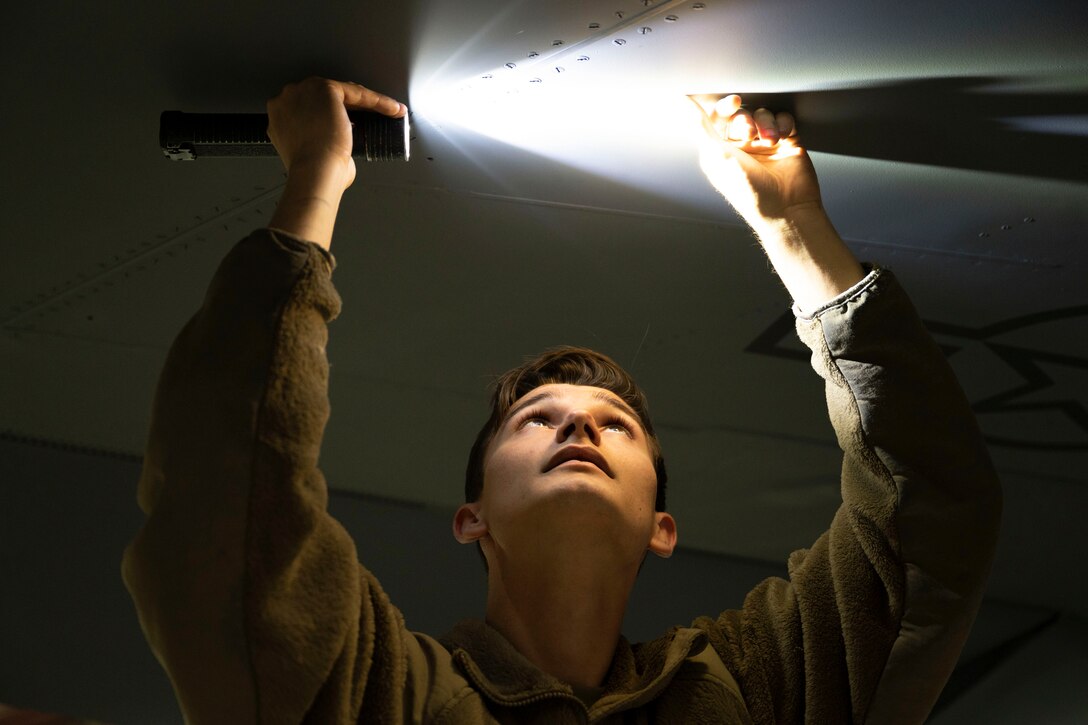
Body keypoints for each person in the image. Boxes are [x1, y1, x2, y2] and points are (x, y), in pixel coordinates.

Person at [122, 77, 1002, 724]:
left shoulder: (758, 687)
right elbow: (227, 508)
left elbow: (929, 519)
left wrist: (796, 230)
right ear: (473, 517)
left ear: (662, 524)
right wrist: (316, 179)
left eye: (616, 427)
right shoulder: (387, 692)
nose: (580, 421)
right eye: (535, 419)